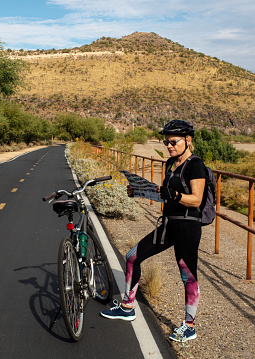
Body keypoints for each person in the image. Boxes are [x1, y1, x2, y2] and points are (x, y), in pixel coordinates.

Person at [100, 119, 206, 342]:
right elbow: (164, 193)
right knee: (132, 257)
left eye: (173, 142)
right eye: (166, 142)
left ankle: (189, 326)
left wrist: (174, 195)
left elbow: (196, 200)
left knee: (187, 275)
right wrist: (139, 190)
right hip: (167, 224)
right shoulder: (170, 164)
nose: (169, 146)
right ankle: (127, 307)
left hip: (188, 226)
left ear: (188, 140)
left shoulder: (196, 165)